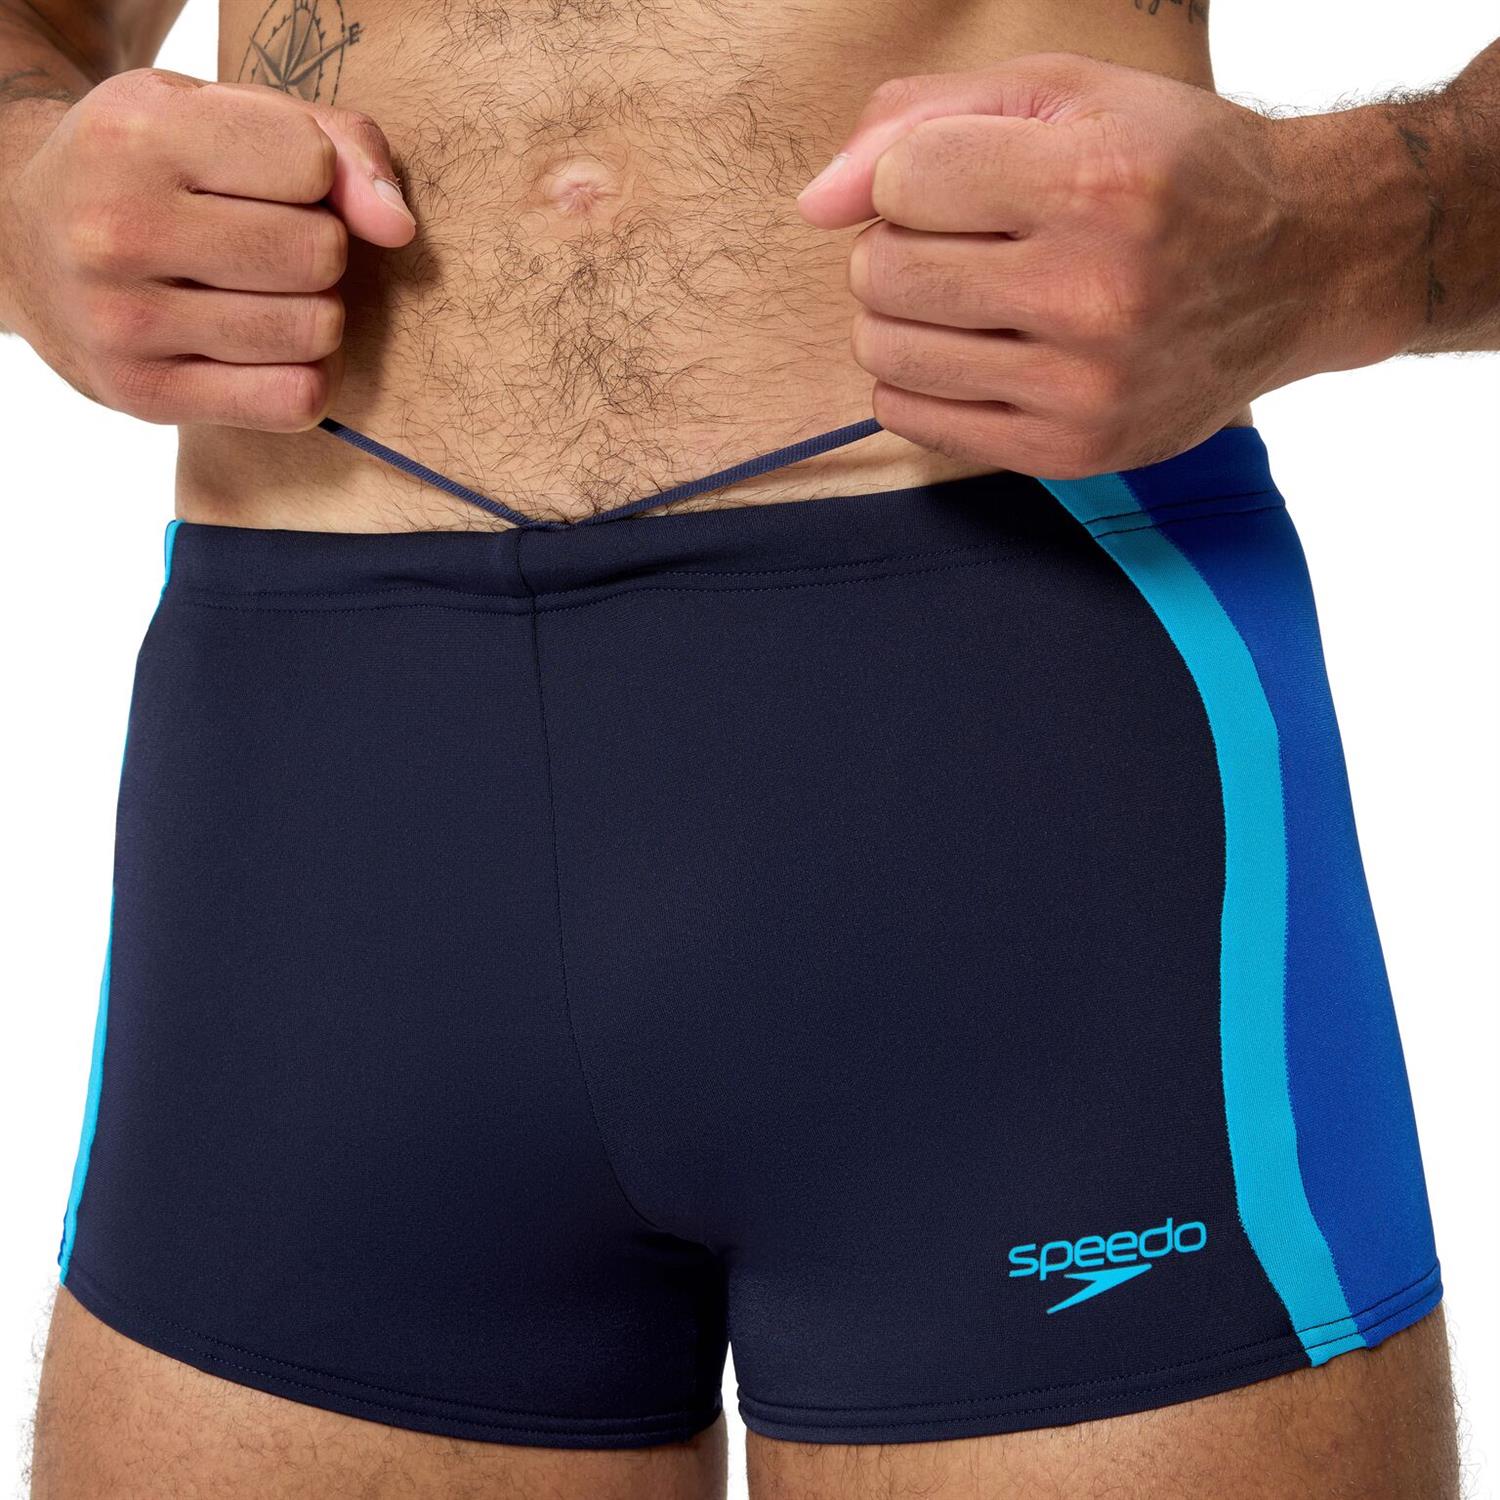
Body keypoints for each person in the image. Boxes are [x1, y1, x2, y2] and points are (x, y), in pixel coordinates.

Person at [2, 0, 1493, 1486]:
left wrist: (1342, 228)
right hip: (317, 791)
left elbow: (1361, 224)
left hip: (1015, 724)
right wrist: (24, 204)